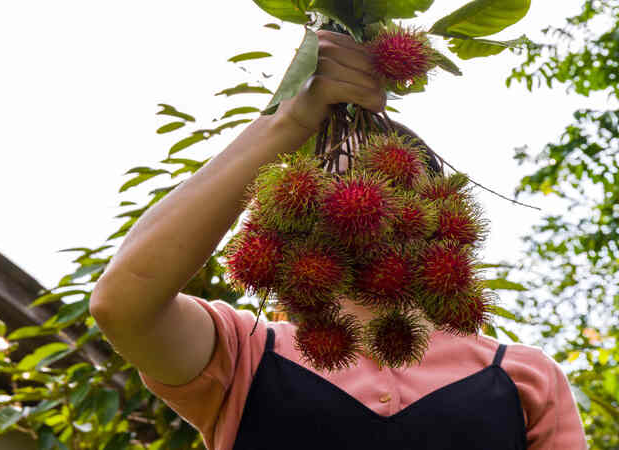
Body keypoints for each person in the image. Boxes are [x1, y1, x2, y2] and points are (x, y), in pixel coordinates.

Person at [90, 30, 588, 450]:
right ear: (292, 215)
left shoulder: (522, 375)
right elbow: (122, 302)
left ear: (432, 210)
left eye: (380, 174)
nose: (352, 185)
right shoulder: (243, 352)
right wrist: (289, 120)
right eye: (332, 172)